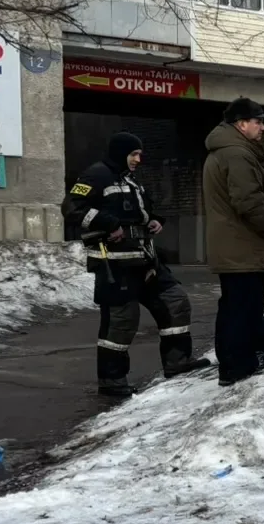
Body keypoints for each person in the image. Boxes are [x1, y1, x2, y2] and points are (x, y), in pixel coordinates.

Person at [67, 132, 197, 397]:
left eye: (139, 155)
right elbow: (71, 209)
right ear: (120, 153)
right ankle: (112, 381)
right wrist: (107, 223)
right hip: (115, 265)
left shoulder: (129, 180)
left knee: (175, 301)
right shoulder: (96, 175)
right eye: (134, 154)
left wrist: (155, 219)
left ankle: (178, 362)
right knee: (121, 321)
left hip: (146, 261)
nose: (139, 159)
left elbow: (138, 211)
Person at [203, 98, 264, 386]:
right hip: (242, 246)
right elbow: (248, 201)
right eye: (258, 122)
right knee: (242, 309)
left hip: (237, 246)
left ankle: (236, 364)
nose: (263, 128)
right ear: (241, 124)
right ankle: (237, 368)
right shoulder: (237, 154)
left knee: (236, 307)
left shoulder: (229, 150)